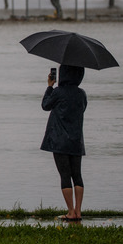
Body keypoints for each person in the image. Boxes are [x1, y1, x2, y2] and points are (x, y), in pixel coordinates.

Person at [40, 64, 87, 221]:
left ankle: (70, 211)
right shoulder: (81, 94)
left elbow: (45, 105)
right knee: (77, 175)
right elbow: (82, 109)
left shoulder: (58, 92)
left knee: (65, 175)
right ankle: (78, 212)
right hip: (76, 141)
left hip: (59, 141)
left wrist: (49, 87)